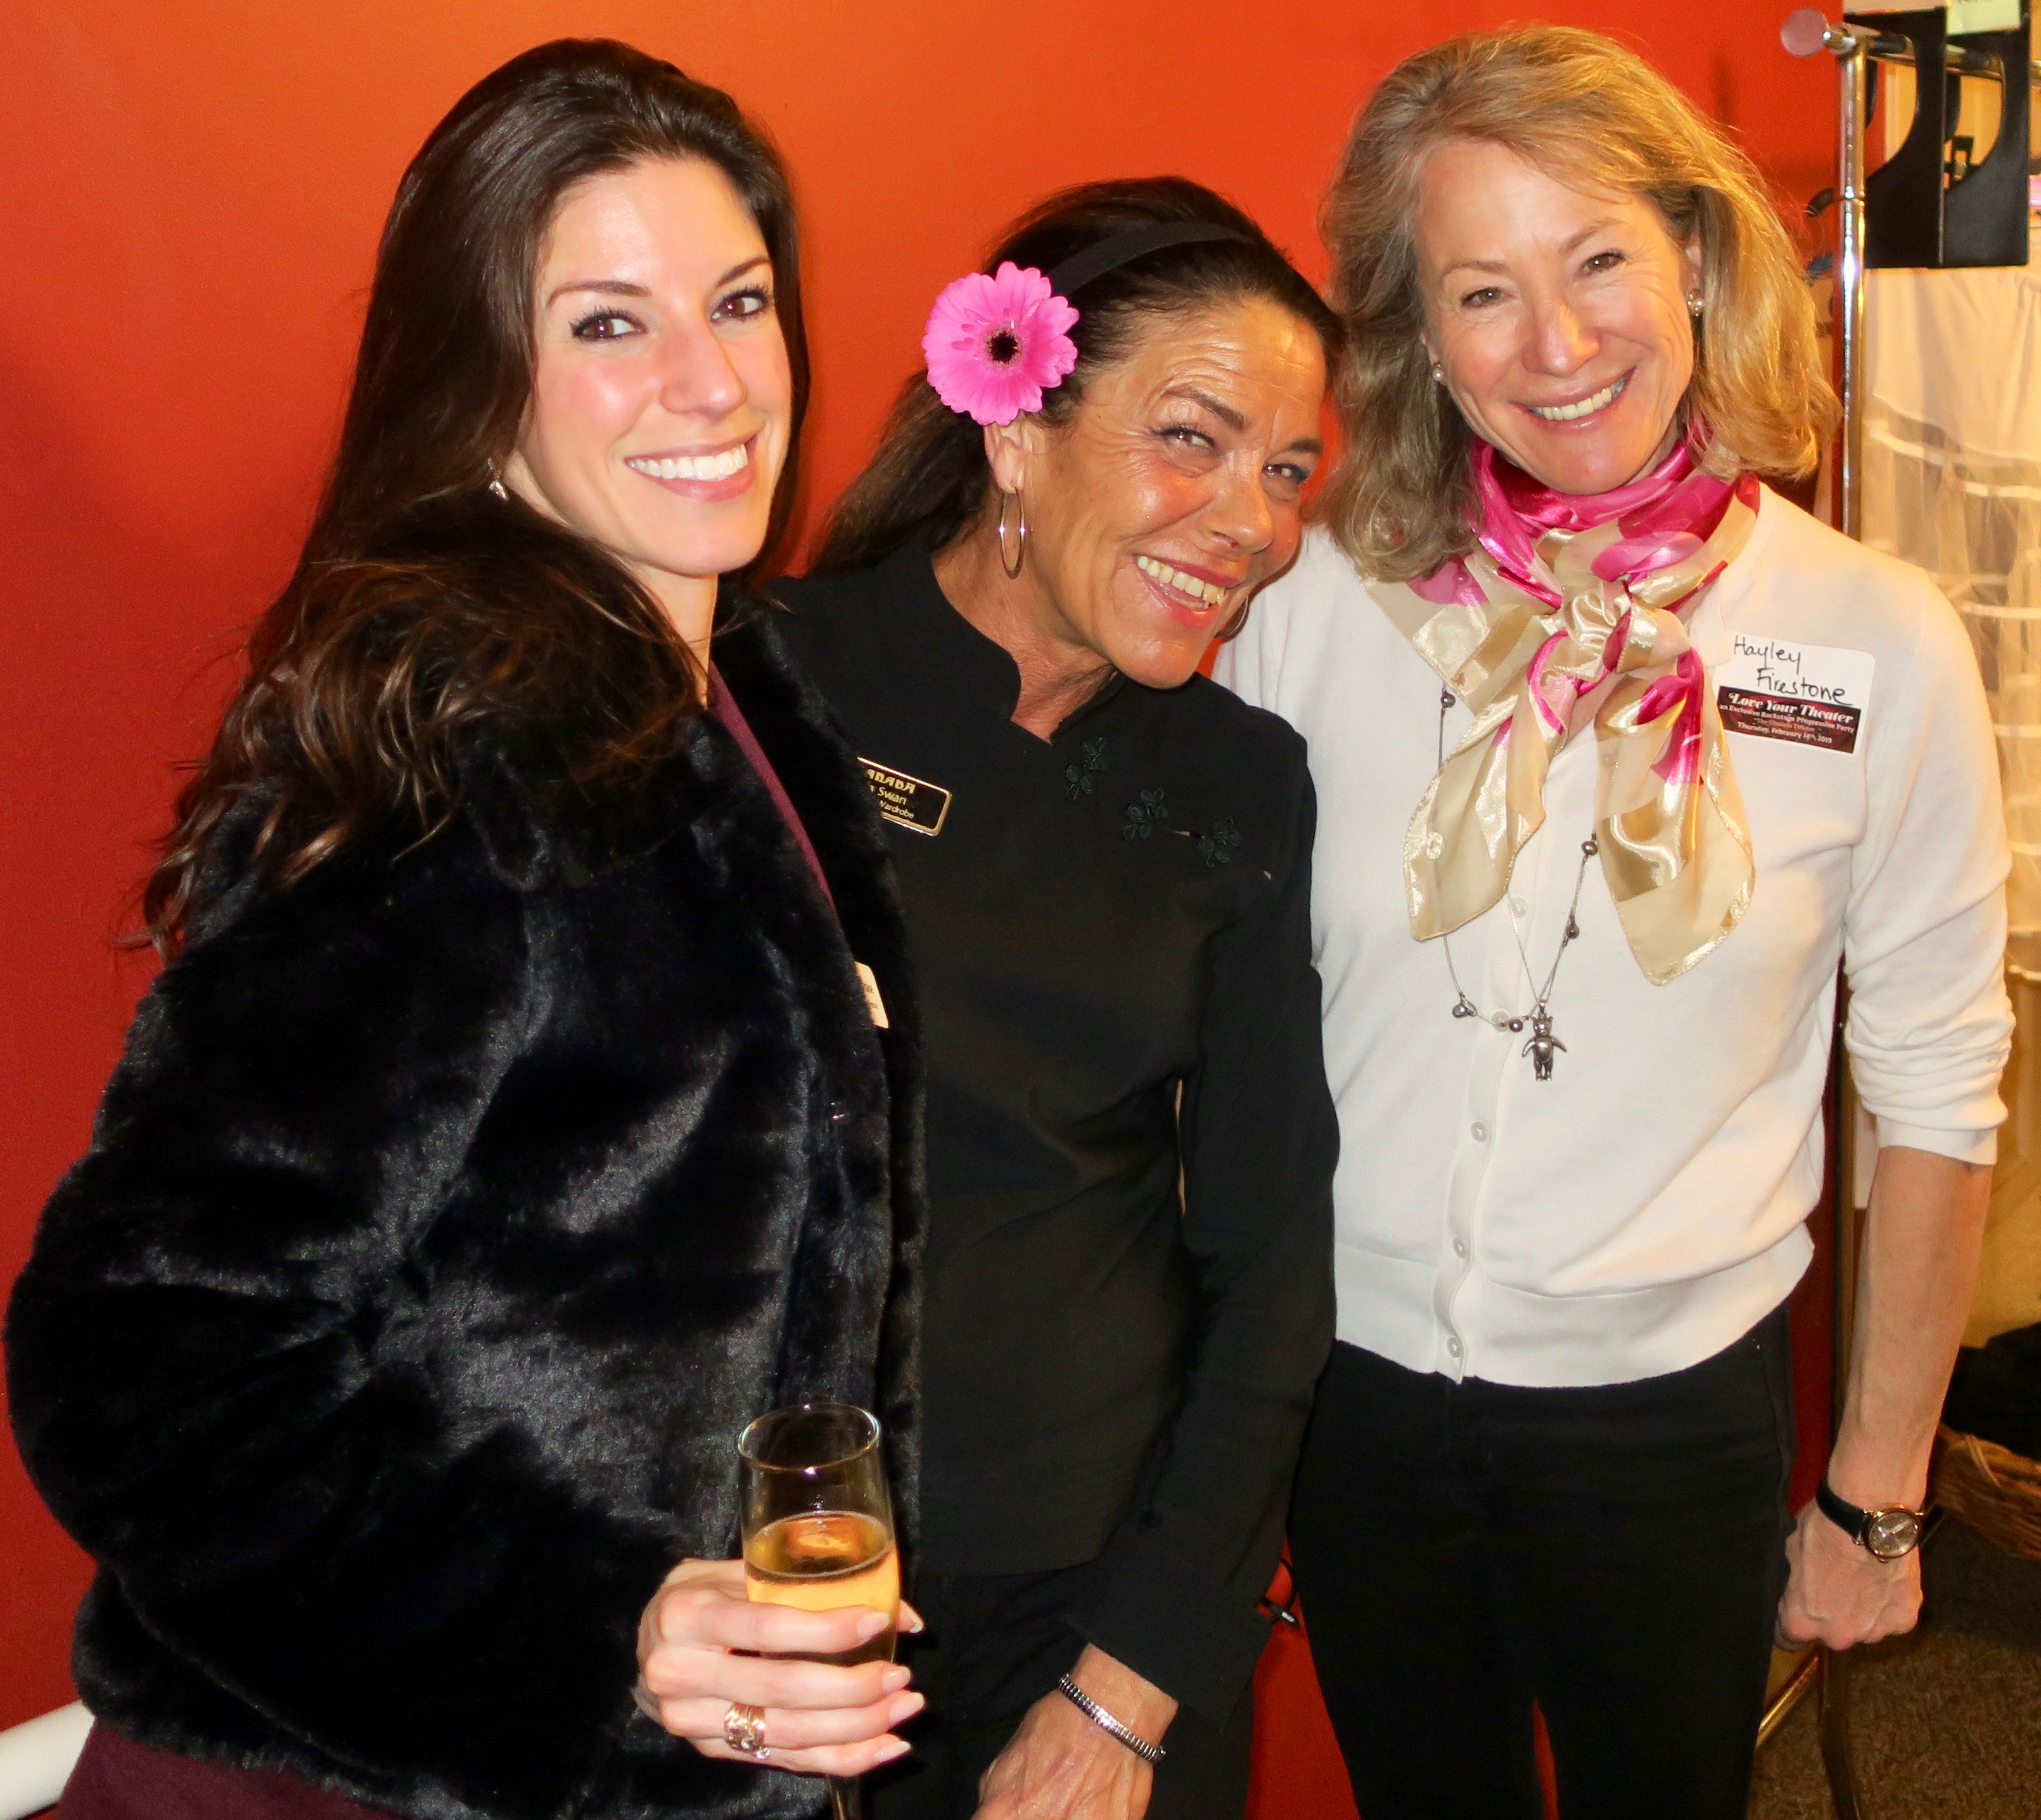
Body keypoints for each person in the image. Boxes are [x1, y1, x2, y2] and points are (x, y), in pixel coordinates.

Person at [7, 40, 925, 1820]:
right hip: (353, 1787)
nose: (712, 381)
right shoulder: (453, 747)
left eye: (740, 302)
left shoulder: (732, 695)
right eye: (607, 324)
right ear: (479, 373)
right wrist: (601, 1635)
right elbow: (144, 1349)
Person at [1215, 27, 2013, 1820]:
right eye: (1483, 292)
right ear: (1419, 333)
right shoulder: (1312, 599)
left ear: (1698, 261)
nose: (1558, 347)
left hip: (1670, 1418)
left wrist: (1879, 1492)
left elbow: (1936, 1082)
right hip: (1347, 1399)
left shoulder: (1874, 637)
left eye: (1597, 262)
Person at [774, 179, 1340, 1820]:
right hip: (773, 1578)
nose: (1252, 522)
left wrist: (1132, 1679)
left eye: (1287, 470)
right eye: (1193, 439)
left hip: (1098, 1590)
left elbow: (1272, 1260)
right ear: (1016, 434)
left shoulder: (1239, 779)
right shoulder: (760, 678)